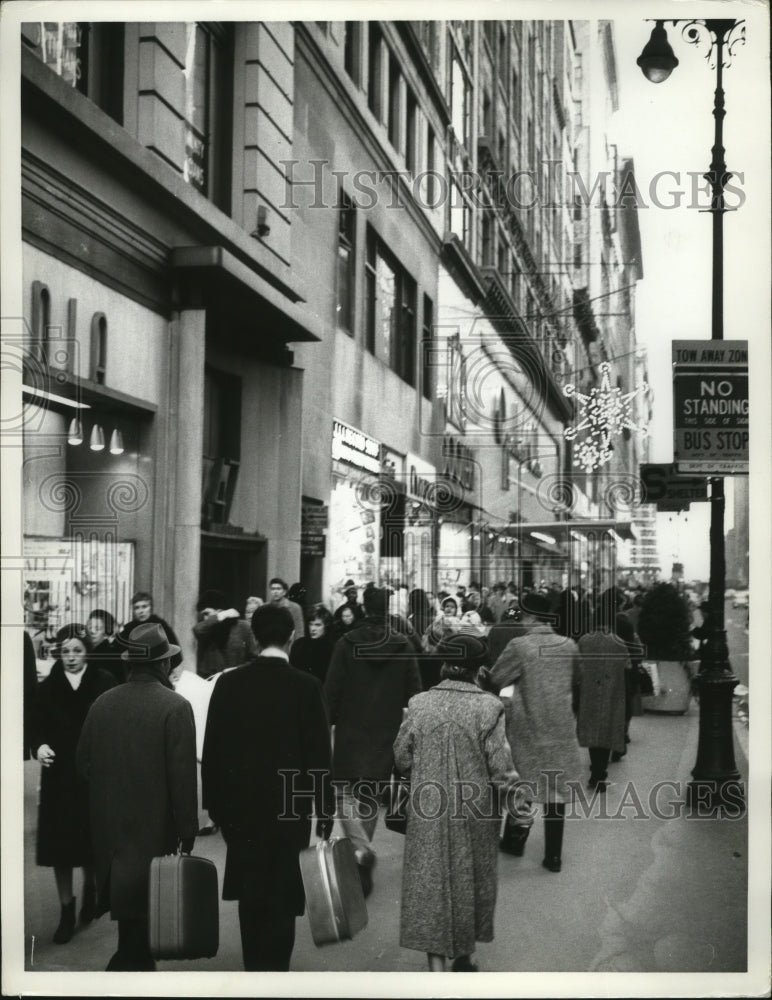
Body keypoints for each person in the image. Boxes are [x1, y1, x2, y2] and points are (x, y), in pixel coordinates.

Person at [202, 604, 333, 971]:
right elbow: (319, 756)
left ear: (255, 638)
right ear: (291, 637)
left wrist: (215, 806)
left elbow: (213, 749)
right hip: (289, 810)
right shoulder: (307, 687)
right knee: (283, 895)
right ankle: (277, 971)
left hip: (240, 810)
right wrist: (324, 811)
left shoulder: (229, 683)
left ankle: (254, 970)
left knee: (251, 893)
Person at [393, 633, 525, 972]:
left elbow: (401, 756)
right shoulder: (489, 707)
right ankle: (466, 955)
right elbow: (500, 767)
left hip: (428, 809)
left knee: (431, 884)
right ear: (479, 670)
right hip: (475, 812)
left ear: (443, 665)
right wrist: (519, 805)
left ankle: (436, 970)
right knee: (470, 880)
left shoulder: (420, 703)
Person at [76, 622, 198, 971]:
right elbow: (183, 780)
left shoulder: (102, 703)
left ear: (130, 664)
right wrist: (187, 833)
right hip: (154, 834)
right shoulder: (175, 707)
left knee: (130, 923)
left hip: (109, 834)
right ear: (162, 665)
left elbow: (83, 764)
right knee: (142, 931)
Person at [324, 586, 422, 895]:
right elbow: (415, 693)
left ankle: (360, 850)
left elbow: (332, 691)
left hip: (351, 730)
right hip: (386, 731)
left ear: (365, 608)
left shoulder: (345, 643)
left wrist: (324, 726)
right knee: (370, 795)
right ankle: (360, 854)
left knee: (344, 794)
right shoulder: (403, 644)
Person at [29, 624, 116, 944]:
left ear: (87, 652)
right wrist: (38, 746)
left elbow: (113, 723)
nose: (71, 657)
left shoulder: (104, 681)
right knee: (59, 846)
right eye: (65, 651)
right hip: (59, 774)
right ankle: (67, 909)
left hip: (93, 773)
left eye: (77, 650)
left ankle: (90, 887)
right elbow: (34, 723)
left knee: (90, 840)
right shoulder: (49, 685)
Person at [489, 593, 583, 872]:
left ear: (528, 617)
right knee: (556, 792)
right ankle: (553, 856)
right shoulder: (569, 645)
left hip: (528, 725)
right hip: (561, 728)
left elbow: (497, 678)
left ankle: (515, 842)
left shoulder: (520, 646)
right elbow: (577, 678)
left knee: (524, 785)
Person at [575, 603, 630, 791]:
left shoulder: (584, 641)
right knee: (606, 733)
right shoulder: (619, 643)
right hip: (611, 693)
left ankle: (595, 773)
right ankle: (600, 773)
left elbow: (577, 667)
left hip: (589, 692)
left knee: (592, 733)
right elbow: (627, 666)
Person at [193, 590, 258, 679]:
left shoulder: (243, 627)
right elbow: (197, 630)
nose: (205, 618)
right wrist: (220, 616)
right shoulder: (207, 629)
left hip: (238, 680)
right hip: (211, 683)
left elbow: (254, 659)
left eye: (207, 614)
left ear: (219, 610)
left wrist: (236, 670)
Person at [116, 591, 183, 670]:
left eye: (144, 607)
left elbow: (175, 652)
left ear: (151, 607)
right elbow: (120, 653)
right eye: (136, 608)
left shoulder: (160, 625)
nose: (141, 611)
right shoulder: (128, 629)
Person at [289, 602, 337, 685]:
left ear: (326, 626)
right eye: (311, 624)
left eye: (318, 625)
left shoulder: (332, 648)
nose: (313, 629)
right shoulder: (299, 645)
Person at [86, 609, 125, 684]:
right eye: (90, 627)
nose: (92, 631)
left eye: (97, 628)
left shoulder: (108, 656)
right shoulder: (88, 651)